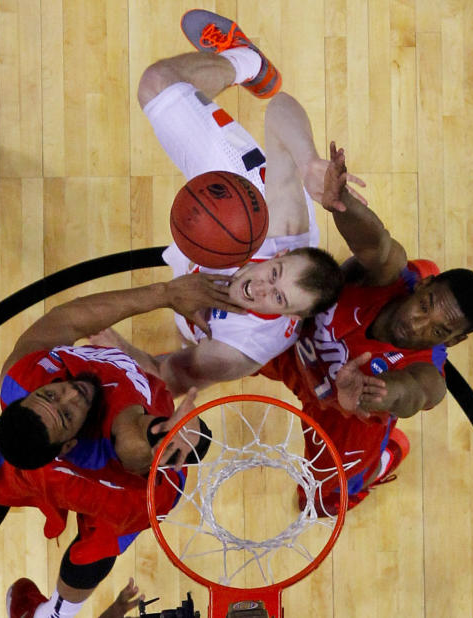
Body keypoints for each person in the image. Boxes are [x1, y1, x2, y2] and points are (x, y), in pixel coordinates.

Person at [0, 274, 240, 618]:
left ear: (27, 397)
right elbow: (144, 441)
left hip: (45, 473)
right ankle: (50, 614)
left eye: (50, 394)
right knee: (96, 550)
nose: (71, 393)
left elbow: (66, 320)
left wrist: (167, 293)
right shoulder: (119, 432)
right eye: (67, 413)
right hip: (118, 495)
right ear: (68, 444)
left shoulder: (22, 379)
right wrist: (176, 433)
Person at [91, 10, 363, 396]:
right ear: (278, 256)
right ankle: (247, 61)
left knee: (187, 343)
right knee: (156, 83)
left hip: (197, 299)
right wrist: (307, 162)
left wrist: (121, 348)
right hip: (239, 189)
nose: (263, 288)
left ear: (292, 317)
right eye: (274, 272)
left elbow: (172, 377)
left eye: (279, 298)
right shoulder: (284, 230)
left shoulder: (241, 348)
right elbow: (281, 108)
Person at [258, 142, 473, 512]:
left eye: (437, 331)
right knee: (212, 333)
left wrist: (376, 395)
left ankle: (388, 454)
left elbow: (416, 393)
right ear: (424, 287)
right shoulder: (389, 277)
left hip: (342, 415)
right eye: (425, 305)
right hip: (292, 348)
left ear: (454, 340)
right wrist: (342, 203)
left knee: (319, 503)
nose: (417, 324)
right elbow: (376, 243)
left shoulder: (425, 374)